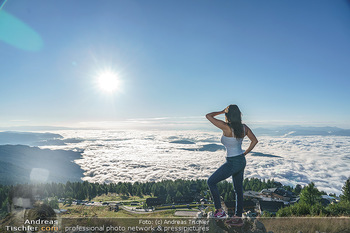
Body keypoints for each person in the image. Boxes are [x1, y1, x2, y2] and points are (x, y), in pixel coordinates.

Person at [206, 104, 258, 226]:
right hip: (241, 160)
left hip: (232, 162)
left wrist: (221, 111)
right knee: (238, 190)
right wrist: (245, 152)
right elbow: (254, 141)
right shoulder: (244, 128)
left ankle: (219, 211)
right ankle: (238, 218)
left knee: (211, 182)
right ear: (239, 115)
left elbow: (208, 116)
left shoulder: (226, 127)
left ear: (228, 115)